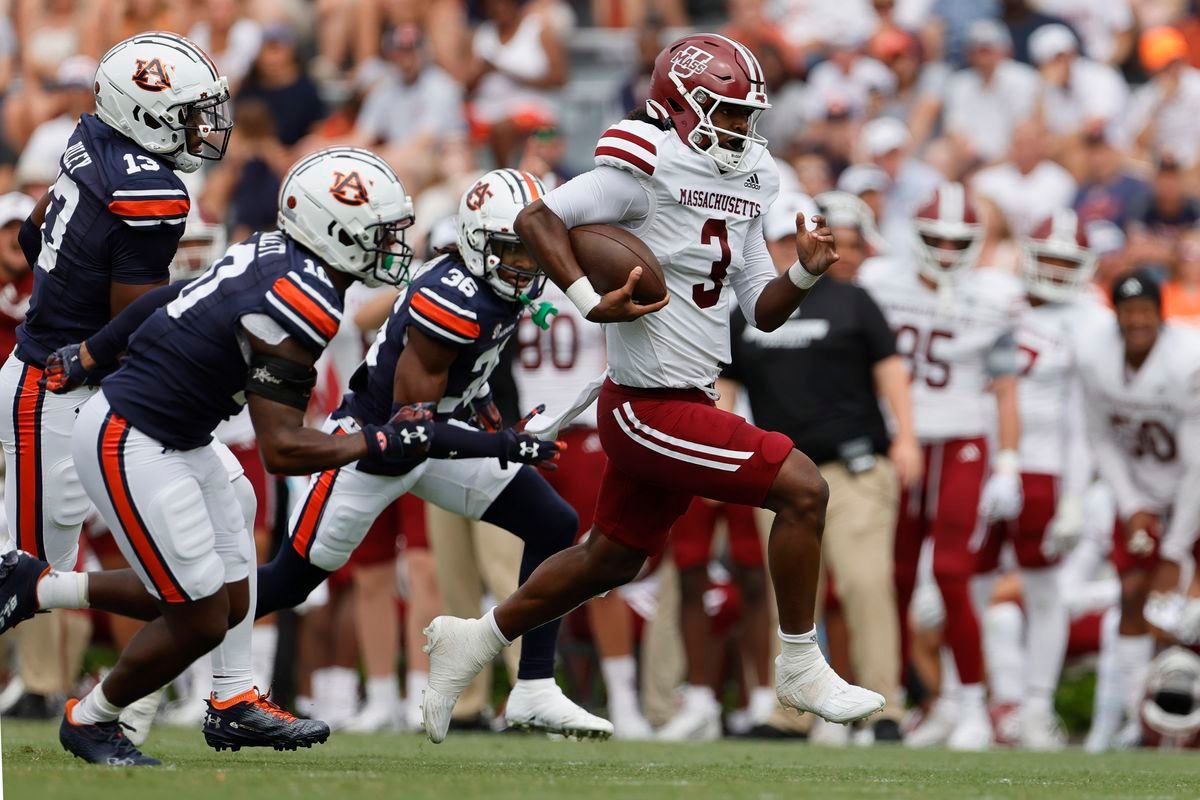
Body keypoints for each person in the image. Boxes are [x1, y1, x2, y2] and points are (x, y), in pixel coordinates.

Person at [418, 32, 885, 745]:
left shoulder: (750, 175)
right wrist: (584, 296)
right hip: (646, 404)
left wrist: (806, 274)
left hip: (688, 398)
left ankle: (475, 640)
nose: (739, 128)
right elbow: (537, 217)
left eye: (744, 114)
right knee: (803, 488)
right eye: (724, 112)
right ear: (680, 105)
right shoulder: (645, 159)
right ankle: (798, 662)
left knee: (609, 558)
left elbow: (759, 307)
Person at [0, 147, 427, 766]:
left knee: (232, 550)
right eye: (383, 234)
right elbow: (281, 448)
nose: (394, 246)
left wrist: (93, 352)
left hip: (174, 434)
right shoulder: (304, 299)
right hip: (133, 438)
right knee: (197, 613)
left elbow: (158, 300)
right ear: (338, 232)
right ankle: (89, 713)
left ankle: (231, 699)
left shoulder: (274, 252)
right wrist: (380, 438)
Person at [252, 168, 613, 740]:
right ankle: (177, 639)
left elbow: (465, 370)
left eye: (533, 248)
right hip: (371, 447)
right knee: (288, 583)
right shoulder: (449, 298)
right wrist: (503, 443)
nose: (527, 263)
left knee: (553, 523)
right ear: (476, 242)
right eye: (511, 251)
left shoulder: (494, 284)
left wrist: (487, 404)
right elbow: (411, 429)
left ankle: (534, 688)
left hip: (434, 434)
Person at [720, 190, 919, 744]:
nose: (792, 246)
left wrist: (908, 438)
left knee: (864, 584)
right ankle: (791, 713)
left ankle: (885, 710)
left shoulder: (854, 301)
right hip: (782, 477)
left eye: (798, 236)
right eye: (782, 238)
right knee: (792, 596)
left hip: (853, 467)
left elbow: (891, 371)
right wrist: (719, 462)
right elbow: (726, 391)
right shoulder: (752, 311)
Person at [858, 182, 1025, 751]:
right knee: (897, 576)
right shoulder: (883, 282)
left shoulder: (996, 294)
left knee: (952, 573)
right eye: (937, 240)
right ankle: (900, 702)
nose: (949, 254)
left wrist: (1008, 461)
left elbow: (1005, 387)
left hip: (961, 442)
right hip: (900, 440)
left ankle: (973, 703)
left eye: (960, 243)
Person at [973, 210, 1110, 750]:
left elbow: (1081, 419)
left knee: (1044, 587)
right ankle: (990, 702)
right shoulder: (995, 298)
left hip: (1046, 463)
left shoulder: (1090, 319)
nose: (1053, 268)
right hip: (981, 458)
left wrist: (1074, 497)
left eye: (1065, 260)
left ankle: (1033, 706)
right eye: (1046, 255)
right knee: (971, 584)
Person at [1075, 269, 1200, 751]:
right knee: (1132, 596)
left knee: (1180, 610)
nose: (1138, 320)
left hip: (1191, 492)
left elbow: (1196, 464)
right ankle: (1132, 718)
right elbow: (1100, 438)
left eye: (1146, 311)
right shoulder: (1094, 354)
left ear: (1160, 313)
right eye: (1129, 312)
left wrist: (1175, 550)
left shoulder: (1186, 360)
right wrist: (1133, 507)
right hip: (1142, 489)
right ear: (1116, 314)